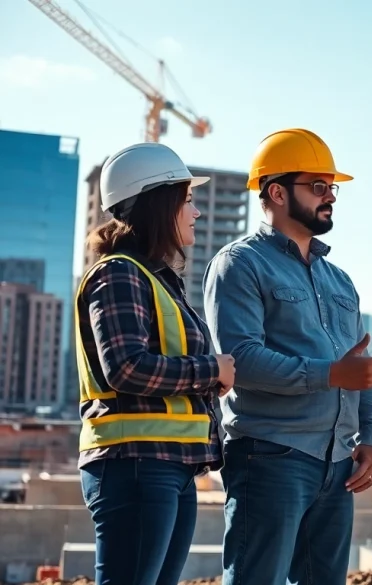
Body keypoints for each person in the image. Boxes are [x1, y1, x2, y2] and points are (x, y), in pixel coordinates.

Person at [202, 128, 372, 585]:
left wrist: (369, 435)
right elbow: (241, 360)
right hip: (270, 457)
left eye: (333, 188)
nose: (330, 198)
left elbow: (359, 366)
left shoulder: (341, 280)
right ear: (277, 192)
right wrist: (333, 374)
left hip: (336, 464)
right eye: (318, 187)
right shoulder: (240, 264)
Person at [76, 142, 235, 585]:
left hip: (170, 467)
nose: (196, 212)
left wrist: (206, 381)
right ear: (158, 203)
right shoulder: (119, 273)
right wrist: (212, 371)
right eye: (187, 200)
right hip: (135, 464)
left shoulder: (157, 280)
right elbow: (125, 367)